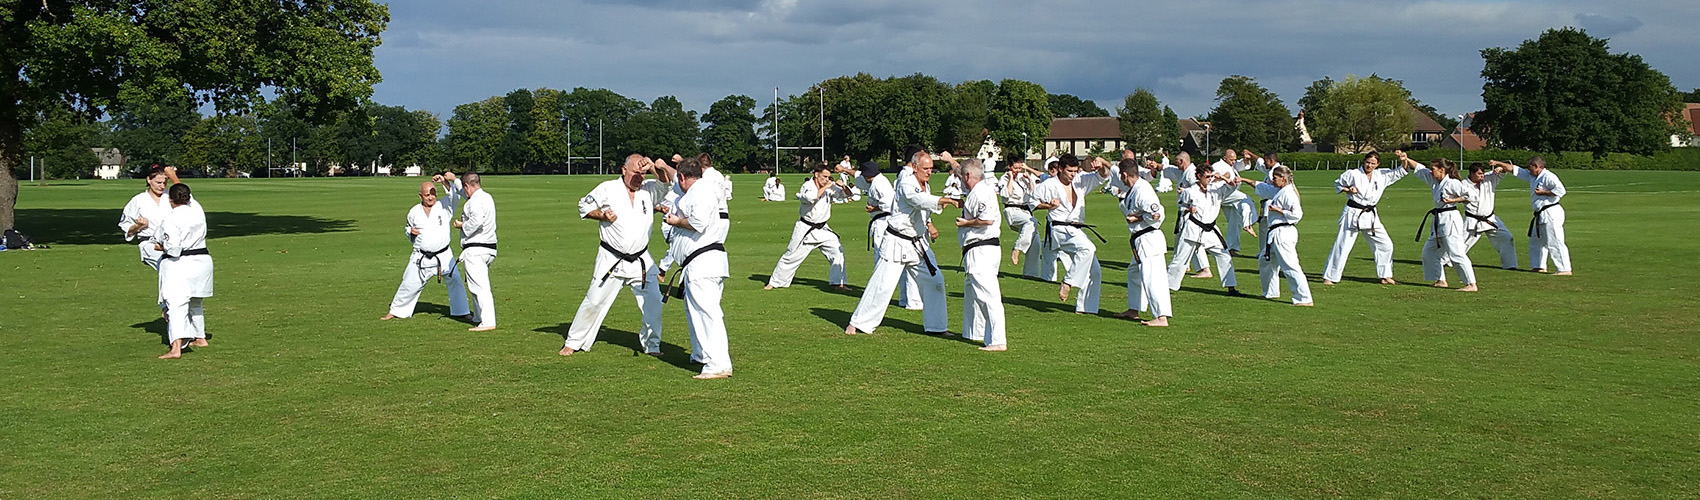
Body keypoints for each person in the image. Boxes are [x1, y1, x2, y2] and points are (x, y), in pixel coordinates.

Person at [560, 155, 675, 356]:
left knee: (654, 303)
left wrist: (653, 168)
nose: (639, 177)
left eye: (642, 173)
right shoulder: (607, 188)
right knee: (594, 301)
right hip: (611, 258)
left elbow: (665, 183)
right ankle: (573, 341)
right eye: (634, 173)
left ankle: (652, 345)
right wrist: (602, 215)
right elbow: (584, 207)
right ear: (623, 170)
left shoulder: (648, 190)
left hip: (641, 261)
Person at [845, 149, 960, 335]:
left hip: (918, 243)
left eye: (931, 168)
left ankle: (936, 327)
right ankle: (858, 323)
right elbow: (918, 200)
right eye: (926, 168)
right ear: (915, 167)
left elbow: (922, 211)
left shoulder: (925, 184)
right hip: (896, 241)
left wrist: (929, 225)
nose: (929, 171)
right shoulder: (906, 182)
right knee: (882, 285)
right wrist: (944, 200)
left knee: (935, 281)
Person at [663, 158, 733, 379]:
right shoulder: (697, 191)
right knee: (695, 311)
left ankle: (718, 364)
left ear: (682, 177)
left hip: (704, 262)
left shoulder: (700, 193)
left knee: (707, 312)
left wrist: (675, 222)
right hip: (698, 263)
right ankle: (702, 354)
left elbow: (699, 223)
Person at [382, 181, 472, 321]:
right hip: (421, 255)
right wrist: (411, 232)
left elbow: (454, 196)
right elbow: (408, 228)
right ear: (420, 196)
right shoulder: (414, 212)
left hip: (444, 255)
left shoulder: (444, 206)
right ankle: (396, 311)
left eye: (433, 194)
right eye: (427, 195)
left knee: (456, 282)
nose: (431, 197)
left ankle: (462, 312)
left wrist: (444, 181)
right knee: (409, 283)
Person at [1033, 153, 1111, 314]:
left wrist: (1102, 163)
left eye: (1075, 171)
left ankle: (1086, 308)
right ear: (1060, 169)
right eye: (1070, 171)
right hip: (1059, 229)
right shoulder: (1048, 185)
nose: (1073, 174)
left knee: (1094, 270)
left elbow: (1102, 176)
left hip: (1076, 229)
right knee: (1088, 249)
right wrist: (1047, 205)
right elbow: (1030, 203)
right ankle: (1068, 282)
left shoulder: (1080, 181)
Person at [1321, 150, 1411, 285]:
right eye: (1368, 162)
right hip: (1353, 212)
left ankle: (1385, 275)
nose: (1369, 165)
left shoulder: (1382, 175)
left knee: (1385, 244)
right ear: (1364, 161)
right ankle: (1330, 277)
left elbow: (1401, 171)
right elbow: (1338, 184)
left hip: (1370, 214)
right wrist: (1348, 189)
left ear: (1377, 164)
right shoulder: (1353, 174)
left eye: (1373, 163)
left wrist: (1404, 159)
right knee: (1343, 245)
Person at [1233, 164, 1313, 305]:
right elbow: (1261, 187)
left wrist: (1279, 210)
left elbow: (1297, 214)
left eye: (1274, 178)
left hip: (1284, 232)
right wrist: (1243, 179)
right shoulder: (1279, 191)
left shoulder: (1289, 193)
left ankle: (1304, 298)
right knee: (1265, 261)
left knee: (1290, 265)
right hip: (1275, 233)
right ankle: (1271, 292)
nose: (1272, 181)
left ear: (1283, 178)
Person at [153, 183, 213, 359]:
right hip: (202, 262)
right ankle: (200, 337)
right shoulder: (197, 211)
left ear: (170, 200)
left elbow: (172, 249)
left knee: (176, 304)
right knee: (195, 301)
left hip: (181, 264)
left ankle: (176, 348)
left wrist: (160, 246)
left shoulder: (171, 218)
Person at [766, 164, 850, 290]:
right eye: (824, 176)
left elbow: (848, 195)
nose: (827, 179)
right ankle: (775, 282)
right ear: (816, 175)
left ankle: (838, 283)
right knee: (792, 255)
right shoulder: (807, 186)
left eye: (828, 177)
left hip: (823, 228)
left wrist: (843, 186)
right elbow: (811, 198)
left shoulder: (829, 187)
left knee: (837, 252)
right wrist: (827, 186)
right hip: (806, 228)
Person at [953, 160, 1007, 350]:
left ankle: (997, 340)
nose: (960, 180)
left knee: (987, 295)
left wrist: (964, 223)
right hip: (977, 249)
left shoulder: (982, 192)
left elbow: (987, 220)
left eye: (962, 177)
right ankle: (973, 332)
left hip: (981, 249)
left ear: (968, 176)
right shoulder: (978, 191)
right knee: (972, 293)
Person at [1406, 157, 1479, 291]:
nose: (1430, 172)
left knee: (1456, 253)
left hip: (1450, 219)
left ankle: (1471, 284)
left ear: (1442, 170)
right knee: (1428, 252)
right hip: (1438, 219)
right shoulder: (1434, 181)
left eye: (1433, 169)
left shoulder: (1453, 183)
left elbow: (1471, 196)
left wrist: (1453, 200)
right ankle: (1440, 280)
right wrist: (1406, 158)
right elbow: (1420, 169)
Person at [1115, 159, 1172, 326]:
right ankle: (1134, 309)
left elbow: (1157, 215)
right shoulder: (1134, 189)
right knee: (1134, 272)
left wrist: (1137, 217)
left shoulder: (1143, 191)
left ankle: (1161, 316)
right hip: (1140, 240)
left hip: (1149, 239)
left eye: (1121, 175)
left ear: (1124, 174)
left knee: (1152, 277)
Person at [119, 165, 181, 316]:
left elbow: (187, 204)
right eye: (158, 182)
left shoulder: (170, 198)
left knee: (178, 268)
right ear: (148, 180)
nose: (162, 186)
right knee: (165, 264)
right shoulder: (138, 201)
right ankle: (166, 306)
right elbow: (126, 229)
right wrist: (139, 225)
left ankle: (180, 302)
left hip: (169, 243)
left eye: (165, 182)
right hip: (149, 244)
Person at [1167, 167, 1240, 294]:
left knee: (1224, 255)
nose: (1210, 179)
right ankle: (1167, 286)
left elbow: (1233, 185)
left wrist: (1222, 177)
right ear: (1199, 176)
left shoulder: (1217, 188)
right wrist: (1189, 210)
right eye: (1207, 176)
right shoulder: (1189, 191)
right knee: (1181, 258)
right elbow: (1181, 208)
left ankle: (1231, 287)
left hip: (1210, 229)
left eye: (1211, 176)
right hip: (1193, 228)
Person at [1494, 157, 1571, 275]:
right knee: (1536, 240)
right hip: (1540, 214)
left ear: (1537, 166)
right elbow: (1515, 169)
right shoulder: (1533, 176)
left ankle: (1564, 269)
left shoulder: (1548, 176)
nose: (1528, 170)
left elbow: (1561, 191)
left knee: (1554, 240)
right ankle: (1539, 266)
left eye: (1530, 168)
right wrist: (1498, 163)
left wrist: (1543, 192)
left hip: (1551, 212)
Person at [451, 172, 499, 331]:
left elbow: (476, 221)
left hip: (476, 249)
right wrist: (454, 180)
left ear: (467, 186)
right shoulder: (487, 197)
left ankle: (487, 322)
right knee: (475, 285)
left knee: (479, 286)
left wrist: (461, 225)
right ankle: (479, 317)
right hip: (489, 249)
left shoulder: (473, 203)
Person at [1461, 162, 1520, 269]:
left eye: (1483, 173)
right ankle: (1445, 260)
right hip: (1472, 220)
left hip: (1490, 218)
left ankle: (1510, 265)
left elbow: (1506, 169)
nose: (1482, 176)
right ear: (1471, 173)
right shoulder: (1463, 185)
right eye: (1479, 174)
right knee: (1460, 243)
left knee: (1507, 237)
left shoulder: (1489, 178)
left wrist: (1500, 168)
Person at [1210, 149, 1260, 255]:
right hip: (1221, 193)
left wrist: (1246, 160)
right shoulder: (1217, 165)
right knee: (1245, 199)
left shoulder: (1231, 165)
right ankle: (1248, 224)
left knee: (1235, 220)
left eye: (1234, 160)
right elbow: (1215, 176)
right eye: (1231, 160)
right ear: (1225, 158)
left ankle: (1232, 247)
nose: (1233, 162)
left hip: (1230, 195)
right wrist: (1226, 176)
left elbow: (1242, 166)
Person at [1000, 155, 1041, 268]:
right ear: (1009, 167)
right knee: (1032, 222)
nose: (1018, 171)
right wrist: (1010, 179)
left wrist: (1029, 179)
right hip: (1012, 211)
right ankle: (1017, 248)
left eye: (1019, 168)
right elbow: (1007, 194)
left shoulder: (1023, 177)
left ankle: (1030, 274)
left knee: (1035, 242)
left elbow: (1034, 193)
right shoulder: (1004, 179)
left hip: (1025, 211)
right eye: (1015, 168)